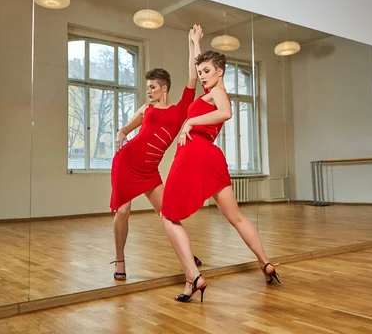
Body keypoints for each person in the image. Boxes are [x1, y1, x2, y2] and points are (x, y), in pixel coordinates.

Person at [160, 45, 280, 302]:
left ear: (220, 72)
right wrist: (194, 43)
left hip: (193, 155)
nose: (202, 75)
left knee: (168, 216)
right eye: (200, 71)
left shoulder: (218, 92)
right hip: (212, 158)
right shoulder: (211, 91)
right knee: (235, 217)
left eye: (207, 71)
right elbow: (202, 67)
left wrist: (189, 122)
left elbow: (226, 112)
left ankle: (192, 277)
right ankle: (266, 264)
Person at [110, 25, 205, 281]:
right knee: (123, 211)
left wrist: (193, 42)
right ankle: (120, 260)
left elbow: (194, 77)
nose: (149, 91)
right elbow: (126, 129)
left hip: (149, 171)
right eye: (148, 87)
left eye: (152, 87)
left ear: (164, 88)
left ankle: (188, 255)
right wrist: (120, 134)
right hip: (126, 163)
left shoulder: (180, 110)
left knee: (168, 213)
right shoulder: (145, 109)